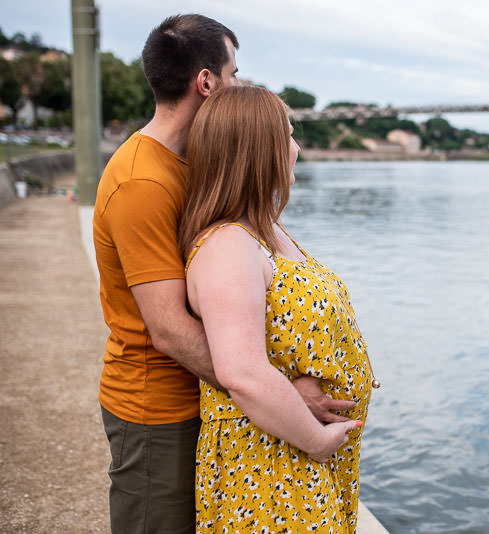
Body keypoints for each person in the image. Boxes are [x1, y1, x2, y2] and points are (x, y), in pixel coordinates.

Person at [93, 15, 354, 533]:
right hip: (159, 409)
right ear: (207, 81)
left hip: (207, 402)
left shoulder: (190, 164)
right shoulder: (143, 181)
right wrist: (282, 394)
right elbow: (167, 327)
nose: (240, 85)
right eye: (235, 72)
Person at [180, 85, 378, 533]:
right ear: (258, 149)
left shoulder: (266, 230)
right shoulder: (227, 246)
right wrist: (318, 440)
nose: (297, 148)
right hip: (270, 465)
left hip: (300, 457)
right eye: (287, 136)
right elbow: (242, 372)